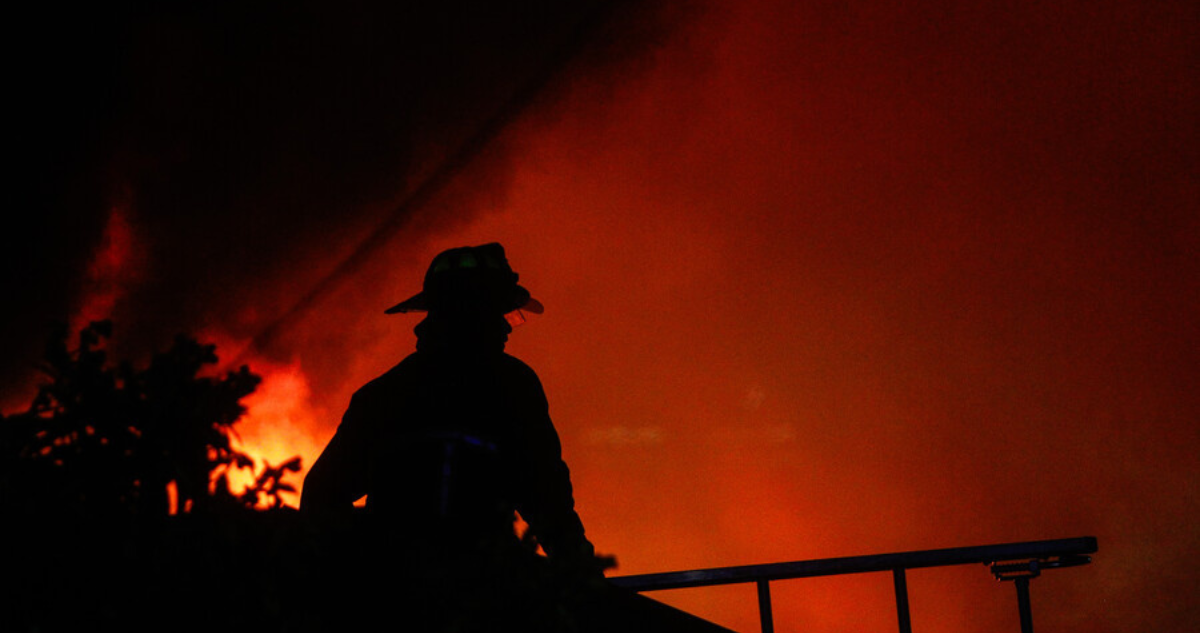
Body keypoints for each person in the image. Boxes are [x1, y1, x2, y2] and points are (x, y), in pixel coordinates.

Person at [300, 242, 599, 629]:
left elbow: (321, 496)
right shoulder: (510, 386)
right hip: (482, 604)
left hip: (390, 607)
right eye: (498, 314)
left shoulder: (384, 393)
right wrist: (585, 582)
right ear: (471, 315)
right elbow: (547, 500)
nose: (507, 326)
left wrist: (364, 570)